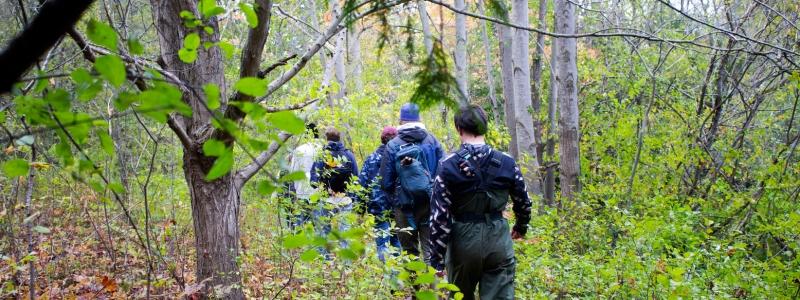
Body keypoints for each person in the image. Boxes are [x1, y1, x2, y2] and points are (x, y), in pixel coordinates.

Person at [429, 105, 532, 300]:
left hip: (462, 242)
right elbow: (523, 200)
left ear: (459, 129)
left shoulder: (447, 165)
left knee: (460, 296)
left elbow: (439, 217)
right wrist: (521, 225)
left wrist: (437, 260)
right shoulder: (507, 162)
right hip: (498, 240)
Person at [379, 103, 445, 264]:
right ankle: (433, 286)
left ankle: (415, 288)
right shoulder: (433, 141)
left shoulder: (393, 145)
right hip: (429, 203)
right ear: (419, 119)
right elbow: (443, 172)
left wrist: (395, 199)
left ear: (401, 121)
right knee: (430, 249)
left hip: (403, 206)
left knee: (409, 251)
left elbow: (386, 182)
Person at [310, 127, 359, 250]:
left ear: (326, 139)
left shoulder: (322, 155)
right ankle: (346, 264)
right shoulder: (349, 155)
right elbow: (356, 178)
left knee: (323, 230)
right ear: (339, 138)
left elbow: (313, 181)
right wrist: (351, 196)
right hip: (345, 199)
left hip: (327, 199)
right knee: (345, 231)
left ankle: (323, 260)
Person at [359, 126, 401, 262]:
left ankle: (388, 277)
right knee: (396, 242)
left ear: (382, 139)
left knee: (382, 242)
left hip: (378, 206)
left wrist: (360, 208)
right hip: (397, 206)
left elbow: (362, 184)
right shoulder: (400, 158)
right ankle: (397, 278)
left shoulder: (371, 158)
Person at [286, 123, 322, 228]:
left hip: (302, 189)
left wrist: (296, 189)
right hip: (318, 190)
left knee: (301, 220)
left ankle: (300, 241)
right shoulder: (323, 149)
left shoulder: (299, 150)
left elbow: (293, 172)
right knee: (318, 222)